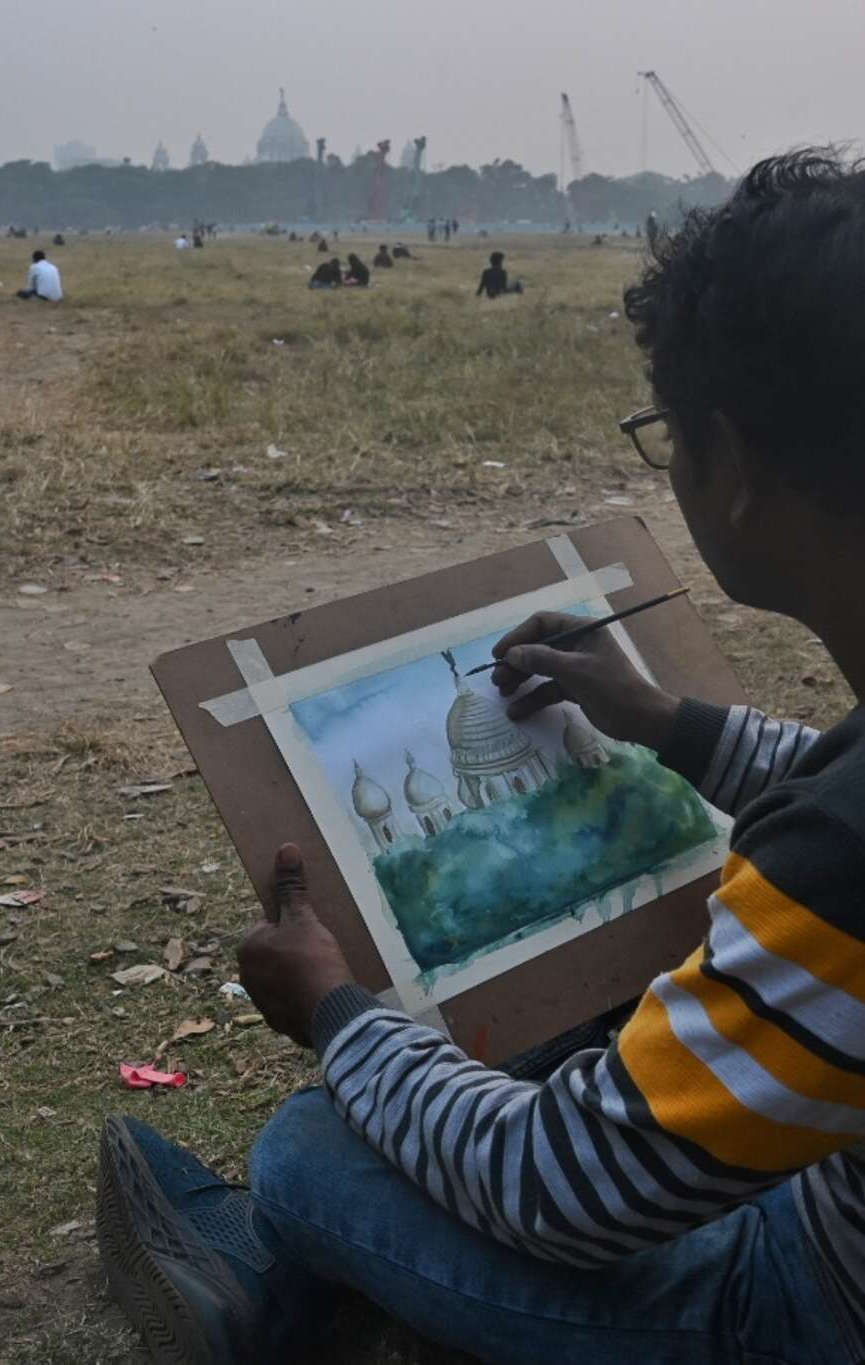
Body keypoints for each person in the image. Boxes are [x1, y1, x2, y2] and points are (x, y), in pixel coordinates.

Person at [97, 152, 865, 1365]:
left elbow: (564, 1185)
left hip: (814, 1304)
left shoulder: (839, 868)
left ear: (732, 462)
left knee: (306, 1152)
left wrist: (338, 1011)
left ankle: (282, 1308)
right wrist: (669, 723)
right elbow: (836, 780)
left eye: (665, 437)